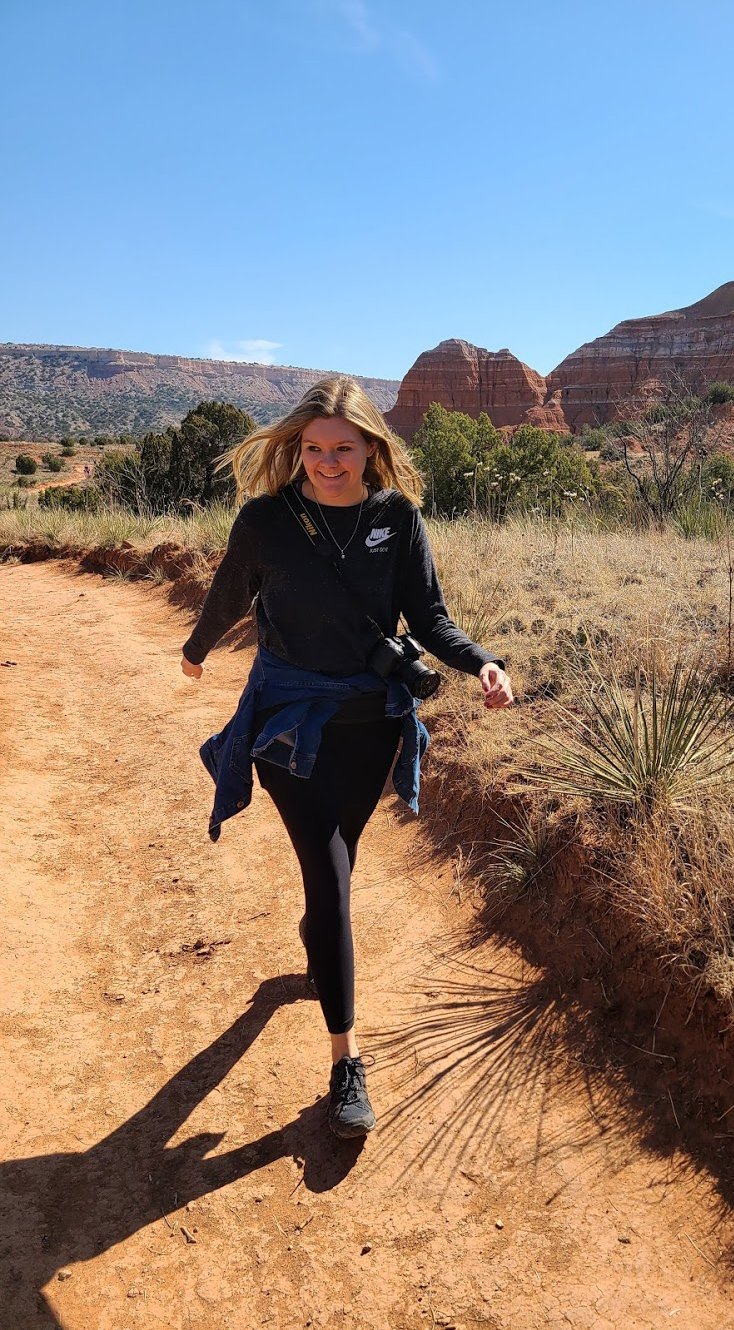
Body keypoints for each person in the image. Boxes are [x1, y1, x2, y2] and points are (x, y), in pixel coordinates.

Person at [180, 377, 514, 1139]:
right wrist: (196, 650)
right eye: (313, 449)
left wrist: (483, 663)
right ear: (297, 448)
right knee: (330, 880)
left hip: (371, 725)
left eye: (343, 449)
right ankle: (345, 1062)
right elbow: (230, 594)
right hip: (287, 726)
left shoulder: (395, 518)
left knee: (340, 864)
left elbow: (428, 617)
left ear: (372, 449)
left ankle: (317, 937)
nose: (327, 463)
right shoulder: (267, 519)